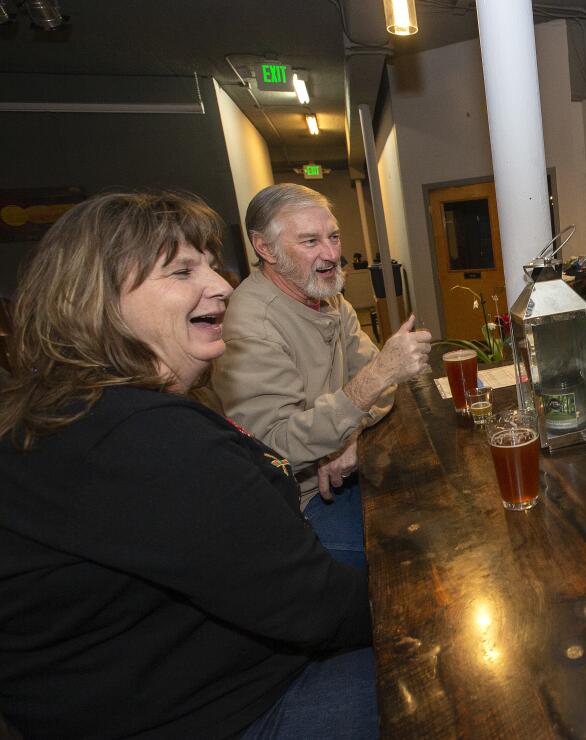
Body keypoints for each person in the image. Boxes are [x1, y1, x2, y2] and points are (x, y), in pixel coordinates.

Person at [0, 192, 377, 738]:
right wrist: (425, 608)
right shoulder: (138, 437)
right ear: (99, 301)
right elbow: (314, 607)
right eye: (182, 270)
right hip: (225, 712)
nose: (223, 286)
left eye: (208, 263)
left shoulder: (79, 408)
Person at [212, 184, 431, 569]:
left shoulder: (328, 296)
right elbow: (272, 451)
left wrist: (349, 437)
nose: (331, 255)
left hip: (344, 472)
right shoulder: (251, 326)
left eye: (333, 237)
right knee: (409, 559)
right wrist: (374, 380)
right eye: (310, 241)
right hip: (301, 503)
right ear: (265, 248)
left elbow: (382, 388)